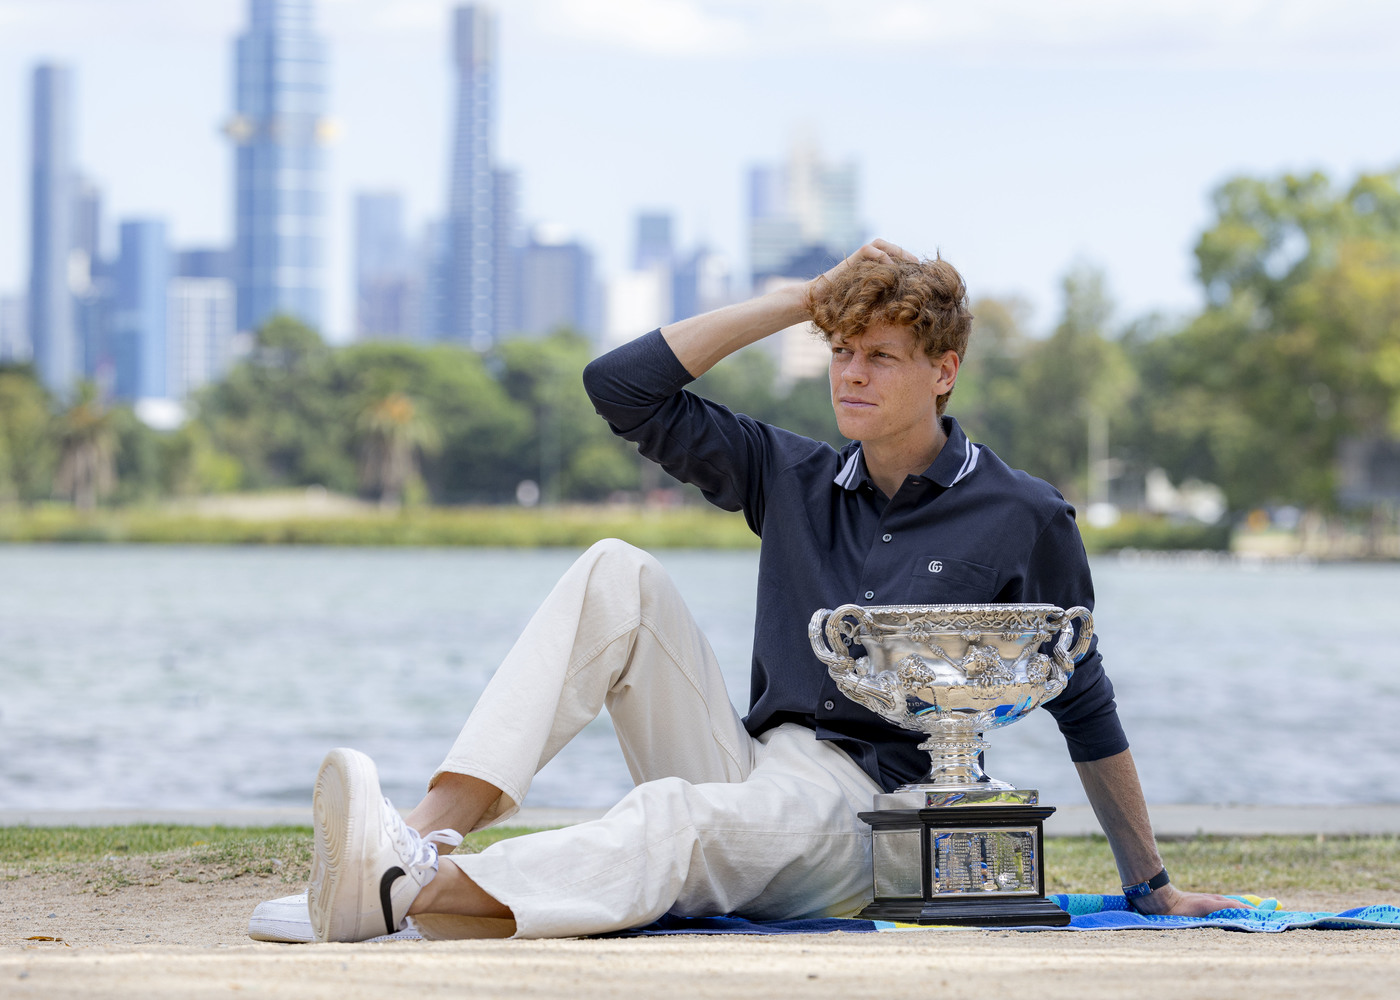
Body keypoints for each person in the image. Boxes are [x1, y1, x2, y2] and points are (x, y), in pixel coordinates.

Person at [251, 239, 1243, 944]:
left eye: (880, 356)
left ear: (944, 370)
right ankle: (413, 841)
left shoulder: (1021, 513)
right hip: (757, 762)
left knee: (672, 817)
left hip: (874, 812)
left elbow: (1082, 697)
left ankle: (406, 892)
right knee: (616, 571)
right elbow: (620, 387)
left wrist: (1149, 885)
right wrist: (800, 301)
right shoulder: (793, 474)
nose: (850, 375)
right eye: (841, 352)